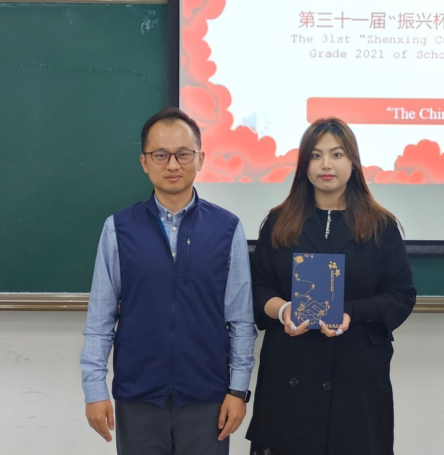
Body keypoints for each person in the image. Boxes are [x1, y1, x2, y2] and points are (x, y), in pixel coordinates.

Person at [80, 107, 257, 454]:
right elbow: (100, 320)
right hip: (139, 397)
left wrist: (238, 390)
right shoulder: (118, 229)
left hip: (207, 398)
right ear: (144, 162)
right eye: (160, 155)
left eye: (183, 154)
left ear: (200, 158)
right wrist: (94, 389)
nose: (172, 165)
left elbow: (240, 320)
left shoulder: (228, 228)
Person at [245, 118, 417, 455]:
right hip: (289, 377)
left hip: (356, 381)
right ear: (304, 165)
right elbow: (257, 289)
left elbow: (401, 296)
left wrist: (350, 312)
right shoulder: (278, 222)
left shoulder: (381, 225)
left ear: (353, 162)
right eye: (316, 155)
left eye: (337, 154)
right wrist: (283, 310)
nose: (326, 165)